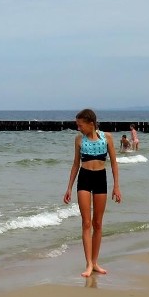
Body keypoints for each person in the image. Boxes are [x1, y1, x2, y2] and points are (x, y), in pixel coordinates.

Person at [63, 108, 122, 277]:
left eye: (80, 124)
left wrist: (116, 186)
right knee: (86, 223)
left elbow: (114, 163)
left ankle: (95, 262)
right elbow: (75, 164)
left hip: (100, 179)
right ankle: (88, 264)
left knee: (97, 223)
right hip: (84, 178)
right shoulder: (79, 140)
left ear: (90, 124)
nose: (78, 128)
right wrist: (68, 187)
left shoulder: (107, 138)